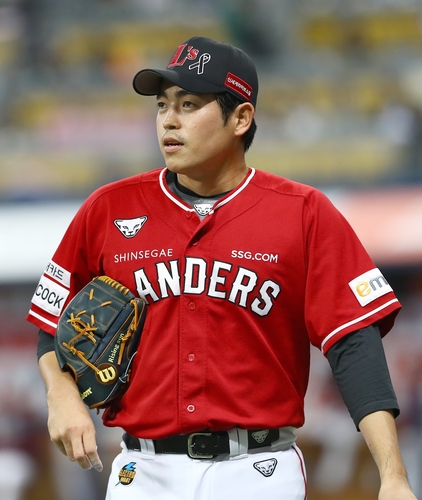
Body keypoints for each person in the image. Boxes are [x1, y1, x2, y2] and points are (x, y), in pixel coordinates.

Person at [27, 36, 417, 499]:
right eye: (162, 105)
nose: (169, 120)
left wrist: (393, 476)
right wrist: (61, 393)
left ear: (241, 118)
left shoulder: (304, 212)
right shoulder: (108, 208)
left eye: (189, 104)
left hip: (257, 469)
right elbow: (52, 322)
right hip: (143, 470)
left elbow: (355, 346)